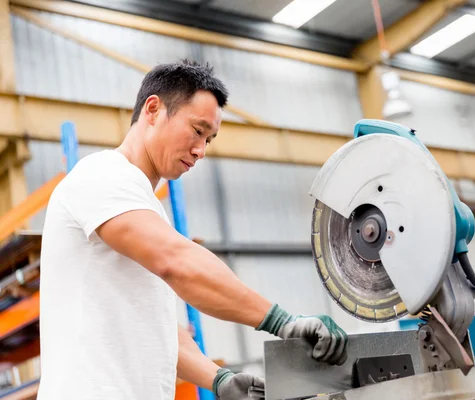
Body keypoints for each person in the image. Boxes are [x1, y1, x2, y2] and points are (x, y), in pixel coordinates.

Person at [37, 59, 348, 400]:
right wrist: (281, 321)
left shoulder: (144, 206)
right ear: (153, 110)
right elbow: (178, 262)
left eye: (209, 140)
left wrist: (220, 380)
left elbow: (155, 328)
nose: (200, 151)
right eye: (197, 131)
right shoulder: (101, 175)